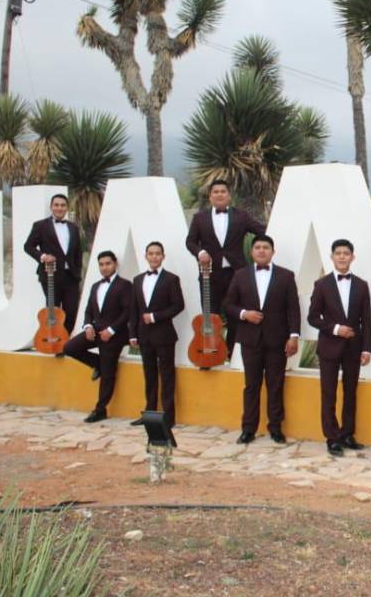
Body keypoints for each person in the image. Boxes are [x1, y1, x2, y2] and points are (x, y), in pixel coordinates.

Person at [224, 235, 300, 445]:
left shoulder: (286, 276)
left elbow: (293, 308)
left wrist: (294, 336)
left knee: (276, 385)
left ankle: (275, 427)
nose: (261, 250)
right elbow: (228, 304)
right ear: (252, 252)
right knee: (251, 386)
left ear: (272, 252)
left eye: (266, 247)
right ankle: (248, 428)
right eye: (257, 247)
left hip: (277, 340)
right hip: (250, 339)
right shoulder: (240, 275)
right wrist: (244, 314)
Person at [185, 179, 268, 361]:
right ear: (210, 196)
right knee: (211, 317)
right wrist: (201, 252)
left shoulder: (241, 216)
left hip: (236, 275)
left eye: (223, 191)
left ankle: (230, 354)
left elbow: (262, 231)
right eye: (216, 192)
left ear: (229, 195)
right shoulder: (200, 218)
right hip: (210, 275)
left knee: (236, 316)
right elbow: (190, 242)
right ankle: (211, 353)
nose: (220, 194)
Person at [307, 239, 371, 456]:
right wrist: (336, 329)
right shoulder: (321, 285)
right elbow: (313, 317)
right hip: (329, 347)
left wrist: (366, 349)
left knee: (351, 392)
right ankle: (332, 437)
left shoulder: (362, 285)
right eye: (338, 253)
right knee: (328, 393)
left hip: (354, 347)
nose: (342, 256)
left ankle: (347, 434)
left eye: (346, 253)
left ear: (352, 257)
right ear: (332, 257)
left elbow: (366, 320)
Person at [63, 250, 132, 423]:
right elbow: (88, 310)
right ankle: (98, 364)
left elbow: (127, 312)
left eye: (108, 263)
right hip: (95, 331)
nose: (104, 267)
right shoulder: (95, 286)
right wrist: (87, 326)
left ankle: (100, 409)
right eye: (101, 264)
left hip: (114, 335)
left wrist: (112, 330)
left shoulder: (125, 285)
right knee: (69, 348)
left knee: (108, 373)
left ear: (115, 264)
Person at [128, 242, 185, 428]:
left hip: (165, 335)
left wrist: (154, 317)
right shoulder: (137, 280)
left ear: (163, 256)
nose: (154, 257)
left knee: (167, 375)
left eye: (158, 253)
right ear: (146, 256)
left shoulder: (171, 279)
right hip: (144, 336)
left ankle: (169, 417)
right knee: (149, 375)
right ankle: (150, 414)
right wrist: (132, 334)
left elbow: (178, 306)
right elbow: (134, 309)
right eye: (151, 253)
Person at [23, 193, 83, 335]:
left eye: (62, 205)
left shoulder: (73, 227)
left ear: (67, 208)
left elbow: (78, 253)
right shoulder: (40, 226)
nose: (59, 208)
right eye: (56, 205)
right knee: (53, 312)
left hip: (71, 277)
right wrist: (43, 256)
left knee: (72, 311)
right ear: (51, 207)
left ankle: (64, 342)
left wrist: (78, 273)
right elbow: (28, 246)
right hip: (51, 274)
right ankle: (54, 343)